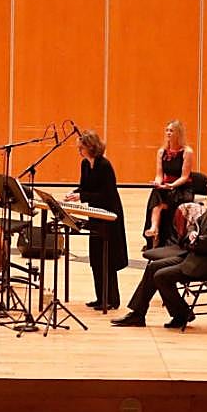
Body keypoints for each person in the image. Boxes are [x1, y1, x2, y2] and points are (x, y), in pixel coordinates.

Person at [112, 171, 207, 329]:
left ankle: (182, 314)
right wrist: (192, 234)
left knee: (161, 276)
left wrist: (193, 239)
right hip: (194, 255)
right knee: (153, 267)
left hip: (206, 263)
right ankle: (138, 314)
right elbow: (195, 223)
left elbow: (205, 244)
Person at [63, 129, 127, 309]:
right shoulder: (85, 164)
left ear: (90, 147)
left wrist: (82, 196)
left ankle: (112, 300)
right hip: (95, 213)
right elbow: (84, 187)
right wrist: (74, 193)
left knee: (108, 258)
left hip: (109, 214)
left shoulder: (105, 166)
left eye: (81, 148)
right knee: (96, 257)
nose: (79, 151)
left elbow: (106, 194)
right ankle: (100, 298)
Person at [143, 119, 195, 247]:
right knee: (157, 192)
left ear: (179, 133)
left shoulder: (187, 152)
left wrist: (172, 186)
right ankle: (154, 228)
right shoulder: (161, 152)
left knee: (160, 202)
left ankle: (156, 230)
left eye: (171, 130)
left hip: (182, 188)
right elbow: (160, 174)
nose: (168, 133)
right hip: (166, 186)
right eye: (167, 130)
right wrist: (157, 182)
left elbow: (184, 176)